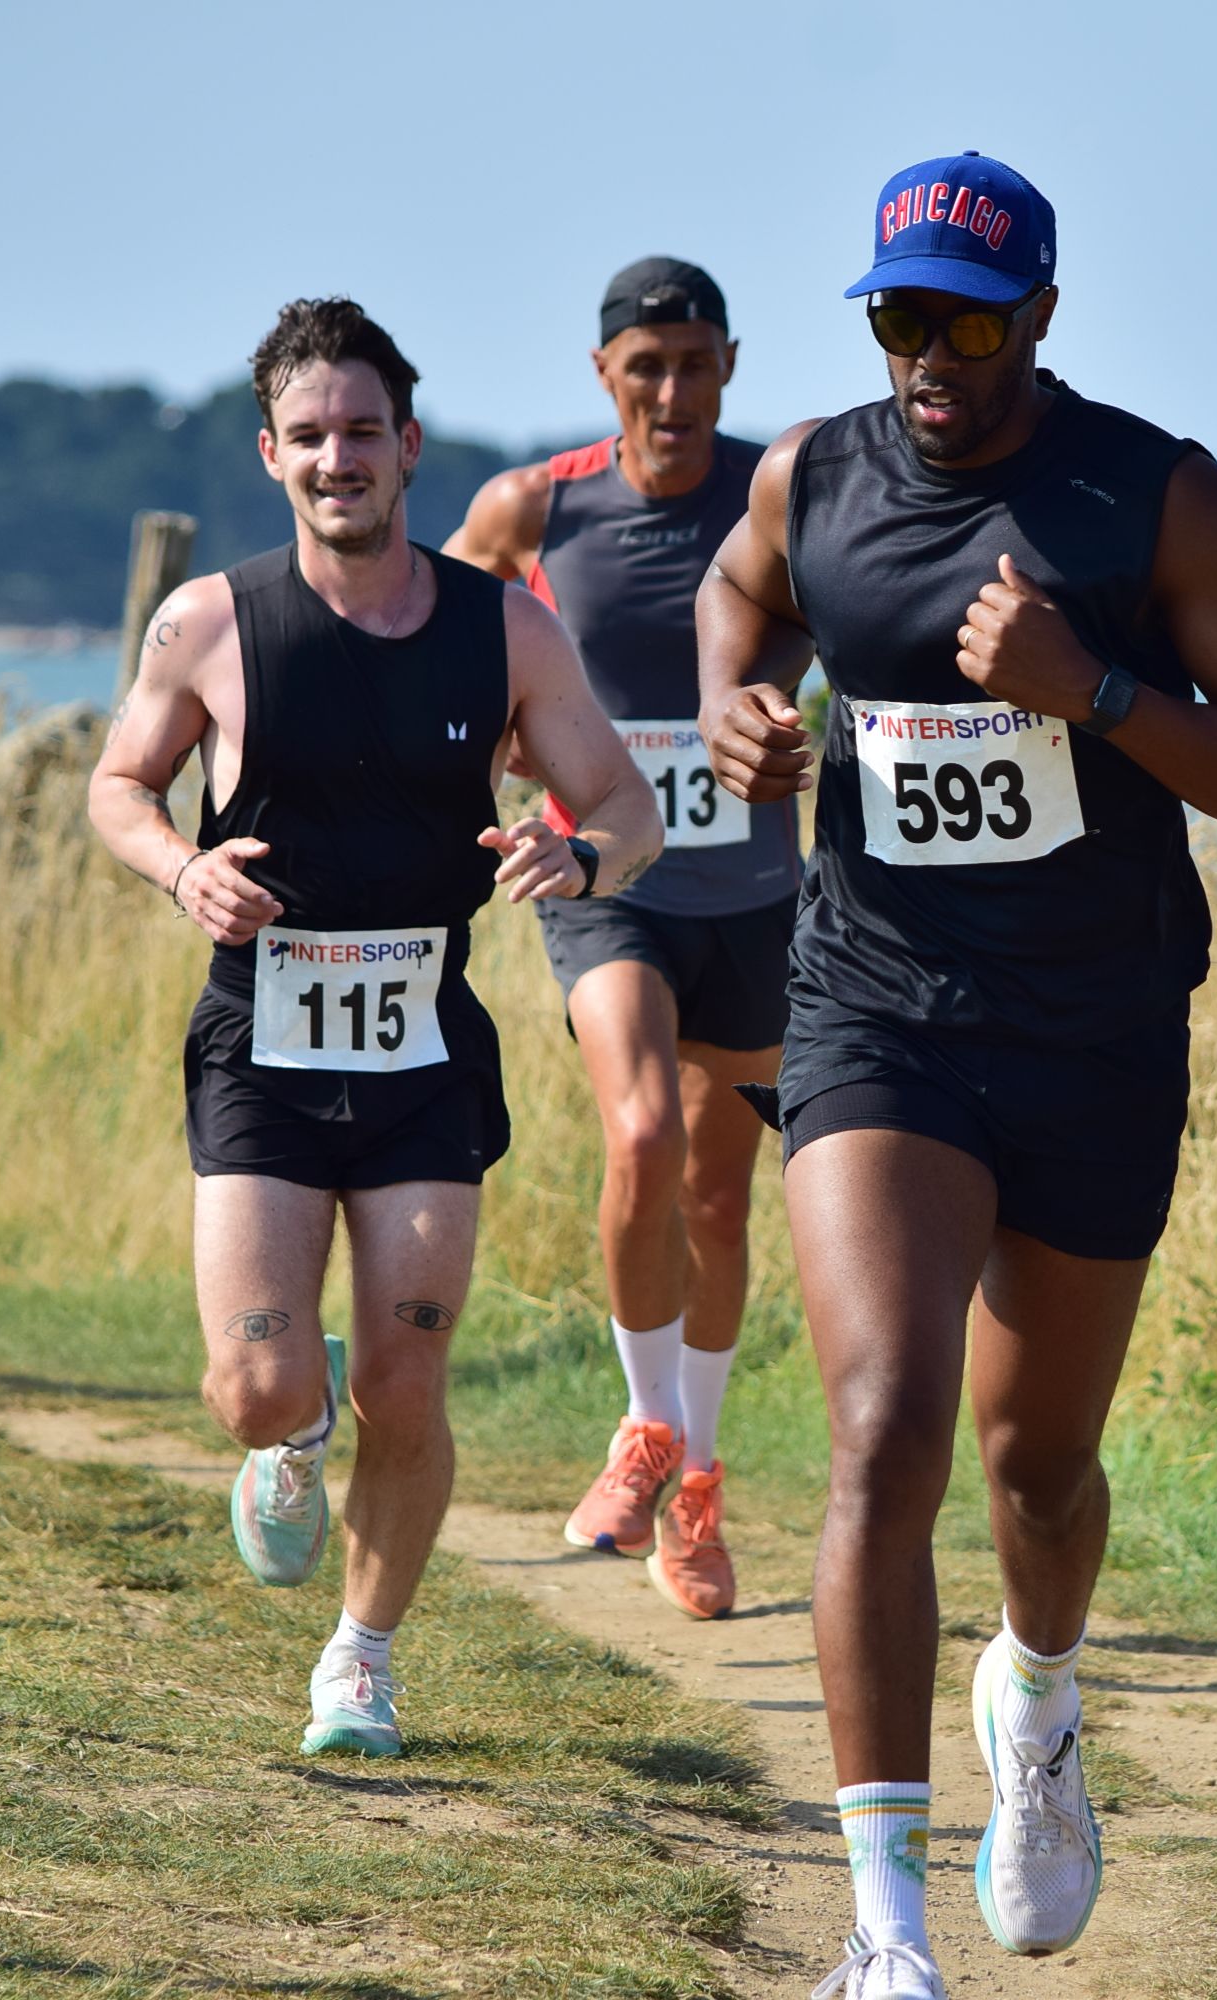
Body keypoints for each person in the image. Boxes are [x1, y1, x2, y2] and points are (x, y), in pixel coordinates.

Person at [697, 154, 1217, 1998]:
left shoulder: (1154, 499)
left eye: (970, 326)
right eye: (900, 317)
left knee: (1035, 1468)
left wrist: (1100, 696)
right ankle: (883, 1933)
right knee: (884, 1426)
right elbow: (741, 596)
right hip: (875, 1011)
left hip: (1094, 1034)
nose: (931, 356)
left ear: (1041, 318)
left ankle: (1039, 1705)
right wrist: (737, 705)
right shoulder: (812, 476)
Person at [87, 298, 658, 1757]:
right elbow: (118, 788)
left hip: (420, 1049)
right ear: (270, 455)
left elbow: (626, 805)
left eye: (362, 431)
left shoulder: (502, 626)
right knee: (257, 1382)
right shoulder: (209, 622)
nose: (337, 458)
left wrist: (579, 856)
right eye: (309, 436)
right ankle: (288, 1434)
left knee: (407, 1379)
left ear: (408, 445)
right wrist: (183, 868)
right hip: (262, 1043)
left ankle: (362, 1660)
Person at [445, 258, 795, 1620]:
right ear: (605, 375)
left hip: (756, 894)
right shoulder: (534, 506)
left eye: (695, 363)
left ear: (728, 366)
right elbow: (434, 646)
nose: (671, 390)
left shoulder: (779, 495)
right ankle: (646, 1428)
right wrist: (469, 756)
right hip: (605, 877)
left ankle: (695, 1481)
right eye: (645, 366)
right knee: (641, 1135)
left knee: (717, 1195)